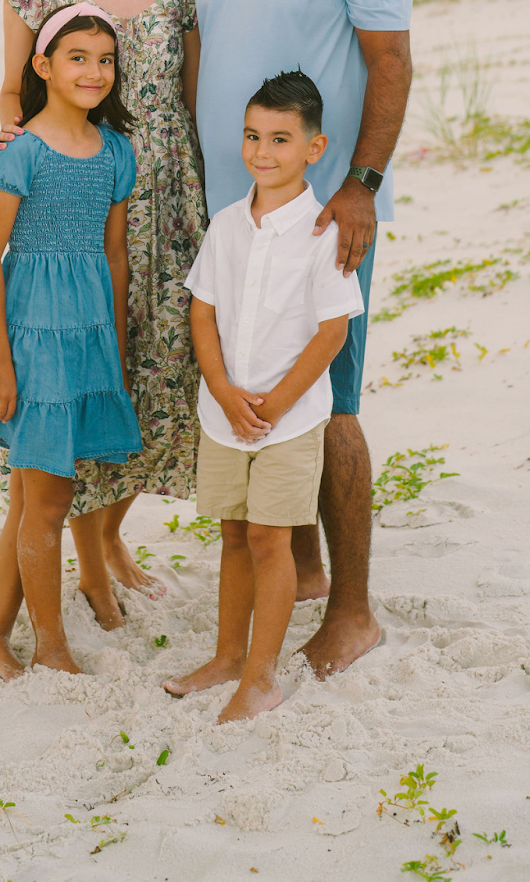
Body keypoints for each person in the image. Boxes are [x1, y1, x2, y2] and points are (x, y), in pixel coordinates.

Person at [195, 0, 418, 678]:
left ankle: (354, 610)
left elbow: (391, 61)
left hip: (326, 216)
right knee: (258, 379)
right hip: (233, 213)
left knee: (329, 406)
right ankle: (310, 569)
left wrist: (360, 182)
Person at [0, 0, 206, 630]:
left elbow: (189, 90)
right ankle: (90, 563)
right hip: (80, 196)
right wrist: (11, 136)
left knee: (162, 379)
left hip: (174, 197)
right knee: (88, 376)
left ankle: (110, 537)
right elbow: (14, 85)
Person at [0, 4, 143, 678]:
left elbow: (114, 256)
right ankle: (50, 644)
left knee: (32, 500)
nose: (93, 71)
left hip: (86, 338)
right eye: (77, 58)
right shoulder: (19, 152)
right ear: (43, 67)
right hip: (30, 339)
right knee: (48, 499)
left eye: (105, 60)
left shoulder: (116, 152)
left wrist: (112, 348)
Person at [164, 71, 364, 720]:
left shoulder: (323, 232)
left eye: (280, 139)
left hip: (287, 421)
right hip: (223, 417)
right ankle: (226, 655)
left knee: (270, 542)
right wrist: (220, 389)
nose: (261, 152)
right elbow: (202, 313)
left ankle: (259, 676)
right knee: (231, 537)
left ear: (314, 147)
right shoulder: (225, 225)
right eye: (252, 136)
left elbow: (333, 332)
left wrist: (274, 404)